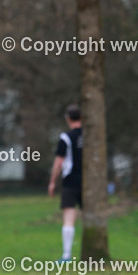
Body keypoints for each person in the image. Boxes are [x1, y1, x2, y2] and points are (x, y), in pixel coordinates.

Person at [47, 104, 83, 261]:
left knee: (69, 217)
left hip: (70, 181)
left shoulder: (65, 138)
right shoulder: (90, 136)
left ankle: (67, 255)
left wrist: (52, 182)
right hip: (88, 183)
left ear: (68, 119)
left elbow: (58, 162)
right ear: (81, 117)